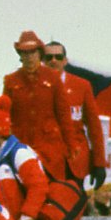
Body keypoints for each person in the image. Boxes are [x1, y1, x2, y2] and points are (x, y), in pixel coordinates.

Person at [2, 31, 71, 179]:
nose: (29, 57)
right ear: (20, 55)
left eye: (32, 52)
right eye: (24, 53)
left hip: (50, 151)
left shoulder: (53, 78)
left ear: (39, 53)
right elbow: (4, 115)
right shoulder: (11, 81)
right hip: (21, 149)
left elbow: (64, 115)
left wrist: (69, 149)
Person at [42, 40, 107, 190]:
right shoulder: (34, 87)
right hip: (45, 161)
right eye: (49, 57)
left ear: (65, 61)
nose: (53, 61)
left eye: (58, 57)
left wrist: (99, 163)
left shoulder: (81, 85)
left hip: (75, 161)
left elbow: (94, 127)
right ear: (43, 61)